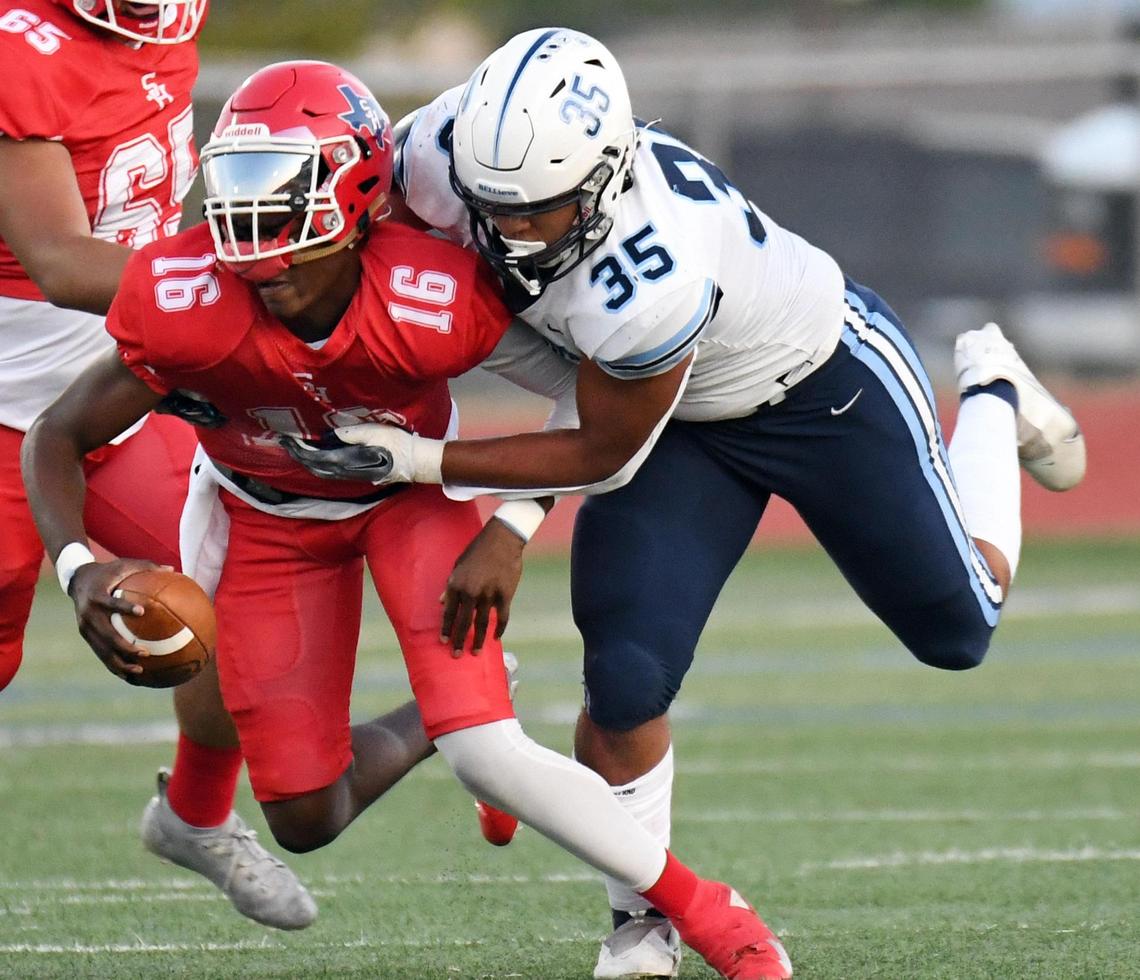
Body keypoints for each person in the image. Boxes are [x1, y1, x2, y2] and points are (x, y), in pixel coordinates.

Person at [290, 27, 1088, 979]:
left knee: (961, 627)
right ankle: (639, 923)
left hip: (814, 387)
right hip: (666, 423)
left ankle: (993, 390)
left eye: (535, 211)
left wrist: (469, 494)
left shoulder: (653, 265)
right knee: (624, 682)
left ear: (602, 180)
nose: (506, 232)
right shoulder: (443, 153)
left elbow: (603, 441)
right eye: (489, 204)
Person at [21, 59, 793, 980]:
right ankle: (429, 722)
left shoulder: (435, 293)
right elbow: (57, 433)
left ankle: (710, 915)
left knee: (490, 755)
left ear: (357, 198)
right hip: (264, 516)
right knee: (304, 818)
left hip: (408, 503)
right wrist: (77, 564)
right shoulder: (184, 293)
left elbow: (587, 417)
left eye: (283, 207)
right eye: (238, 197)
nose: (255, 241)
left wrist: (512, 521)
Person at [0, 0, 321, 929]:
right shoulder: (23, 43)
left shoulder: (170, 20)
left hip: (126, 378)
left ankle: (195, 816)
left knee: (227, 596)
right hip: (10, 393)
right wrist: (238, 277)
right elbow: (60, 260)